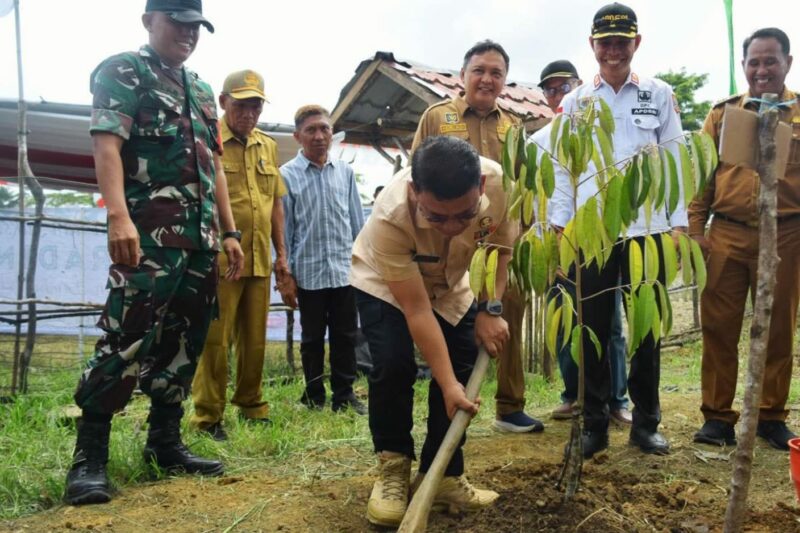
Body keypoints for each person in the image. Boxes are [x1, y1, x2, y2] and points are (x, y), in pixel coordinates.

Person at [64, 0, 244, 505]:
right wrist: (118, 216)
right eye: (178, 24)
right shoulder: (125, 70)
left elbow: (215, 168)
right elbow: (106, 144)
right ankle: (89, 459)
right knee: (125, 338)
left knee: (184, 344)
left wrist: (229, 233)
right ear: (149, 21)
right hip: (146, 238)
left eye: (195, 28)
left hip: (200, 243)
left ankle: (165, 444)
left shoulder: (204, 90)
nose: (188, 35)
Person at [548, 2, 688, 458]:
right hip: (592, 235)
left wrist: (678, 225)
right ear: (592, 46)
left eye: (621, 42)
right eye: (604, 42)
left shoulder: (659, 94)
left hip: (647, 231)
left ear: (636, 44)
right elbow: (562, 168)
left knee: (646, 333)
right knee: (592, 328)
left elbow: (673, 161)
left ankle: (646, 424)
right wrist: (559, 226)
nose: (613, 51)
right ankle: (594, 425)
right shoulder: (575, 102)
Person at [353, 136, 513, 527]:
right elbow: (417, 310)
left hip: (453, 284)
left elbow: (498, 252)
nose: (451, 227)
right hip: (388, 286)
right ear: (414, 191)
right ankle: (393, 468)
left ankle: (442, 477)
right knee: (393, 364)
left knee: (461, 369)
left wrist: (490, 308)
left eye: (464, 215)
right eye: (437, 218)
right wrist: (446, 385)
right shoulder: (390, 215)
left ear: (478, 187)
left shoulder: (499, 185)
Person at [411, 39, 543, 434]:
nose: (487, 79)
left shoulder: (513, 126)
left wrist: (527, 227)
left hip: (500, 240)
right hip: (452, 240)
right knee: (453, 322)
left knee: (506, 313)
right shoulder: (438, 117)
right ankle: (451, 403)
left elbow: (523, 184)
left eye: (496, 73)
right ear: (464, 75)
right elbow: (415, 178)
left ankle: (510, 406)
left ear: (505, 80)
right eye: (480, 71)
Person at [690, 27, 799, 451]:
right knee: (719, 327)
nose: (762, 69)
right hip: (728, 235)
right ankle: (717, 417)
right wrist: (697, 232)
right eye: (754, 62)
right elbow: (701, 178)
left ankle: (771, 416)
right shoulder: (722, 114)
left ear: (787, 62)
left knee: (778, 330)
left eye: (770, 60)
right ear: (743, 67)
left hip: (787, 235)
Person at [529, 60, 631, 426]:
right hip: (556, 248)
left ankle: (617, 400)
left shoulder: (601, 140)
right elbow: (535, 198)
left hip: (597, 244)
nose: (559, 95)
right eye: (551, 89)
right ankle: (574, 395)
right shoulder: (539, 143)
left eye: (565, 87)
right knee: (564, 321)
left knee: (609, 327)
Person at [190, 70, 289, 441]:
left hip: (260, 257)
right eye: (241, 105)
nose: (249, 113)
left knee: (255, 338)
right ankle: (208, 416)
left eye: (255, 105)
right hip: (221, 260)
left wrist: (283, 256)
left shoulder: (268, 146)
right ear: (222, 103)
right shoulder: (207, 140)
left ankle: (251, 403)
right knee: (215, 339)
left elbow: (275, 204)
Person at [279, 105, 366, 414]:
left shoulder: (344, 173)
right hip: (309, 272)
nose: (318, 136)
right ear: (298, 136)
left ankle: (345, 396)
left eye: (324, 129)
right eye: (311, 130)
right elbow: (284, 231)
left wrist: (364, 267)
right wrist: (285, 275)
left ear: (332, 134)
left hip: (344, 271)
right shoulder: (286, 176)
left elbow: (358, 224)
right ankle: (314, 395)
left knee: (346, 335)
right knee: (312, 338)